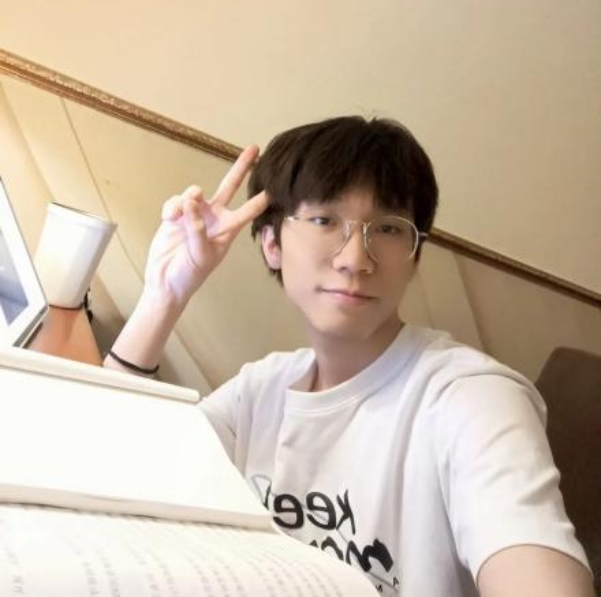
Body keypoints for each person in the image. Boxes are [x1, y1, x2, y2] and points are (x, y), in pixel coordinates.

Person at [105, 116, 594, 597]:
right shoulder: (262, 389)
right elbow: (112, 469)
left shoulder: (471, 398)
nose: (355, 259)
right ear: (272, 243)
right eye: (324, 220)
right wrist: (163, 297)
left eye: (388, 228)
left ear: (414, 256)